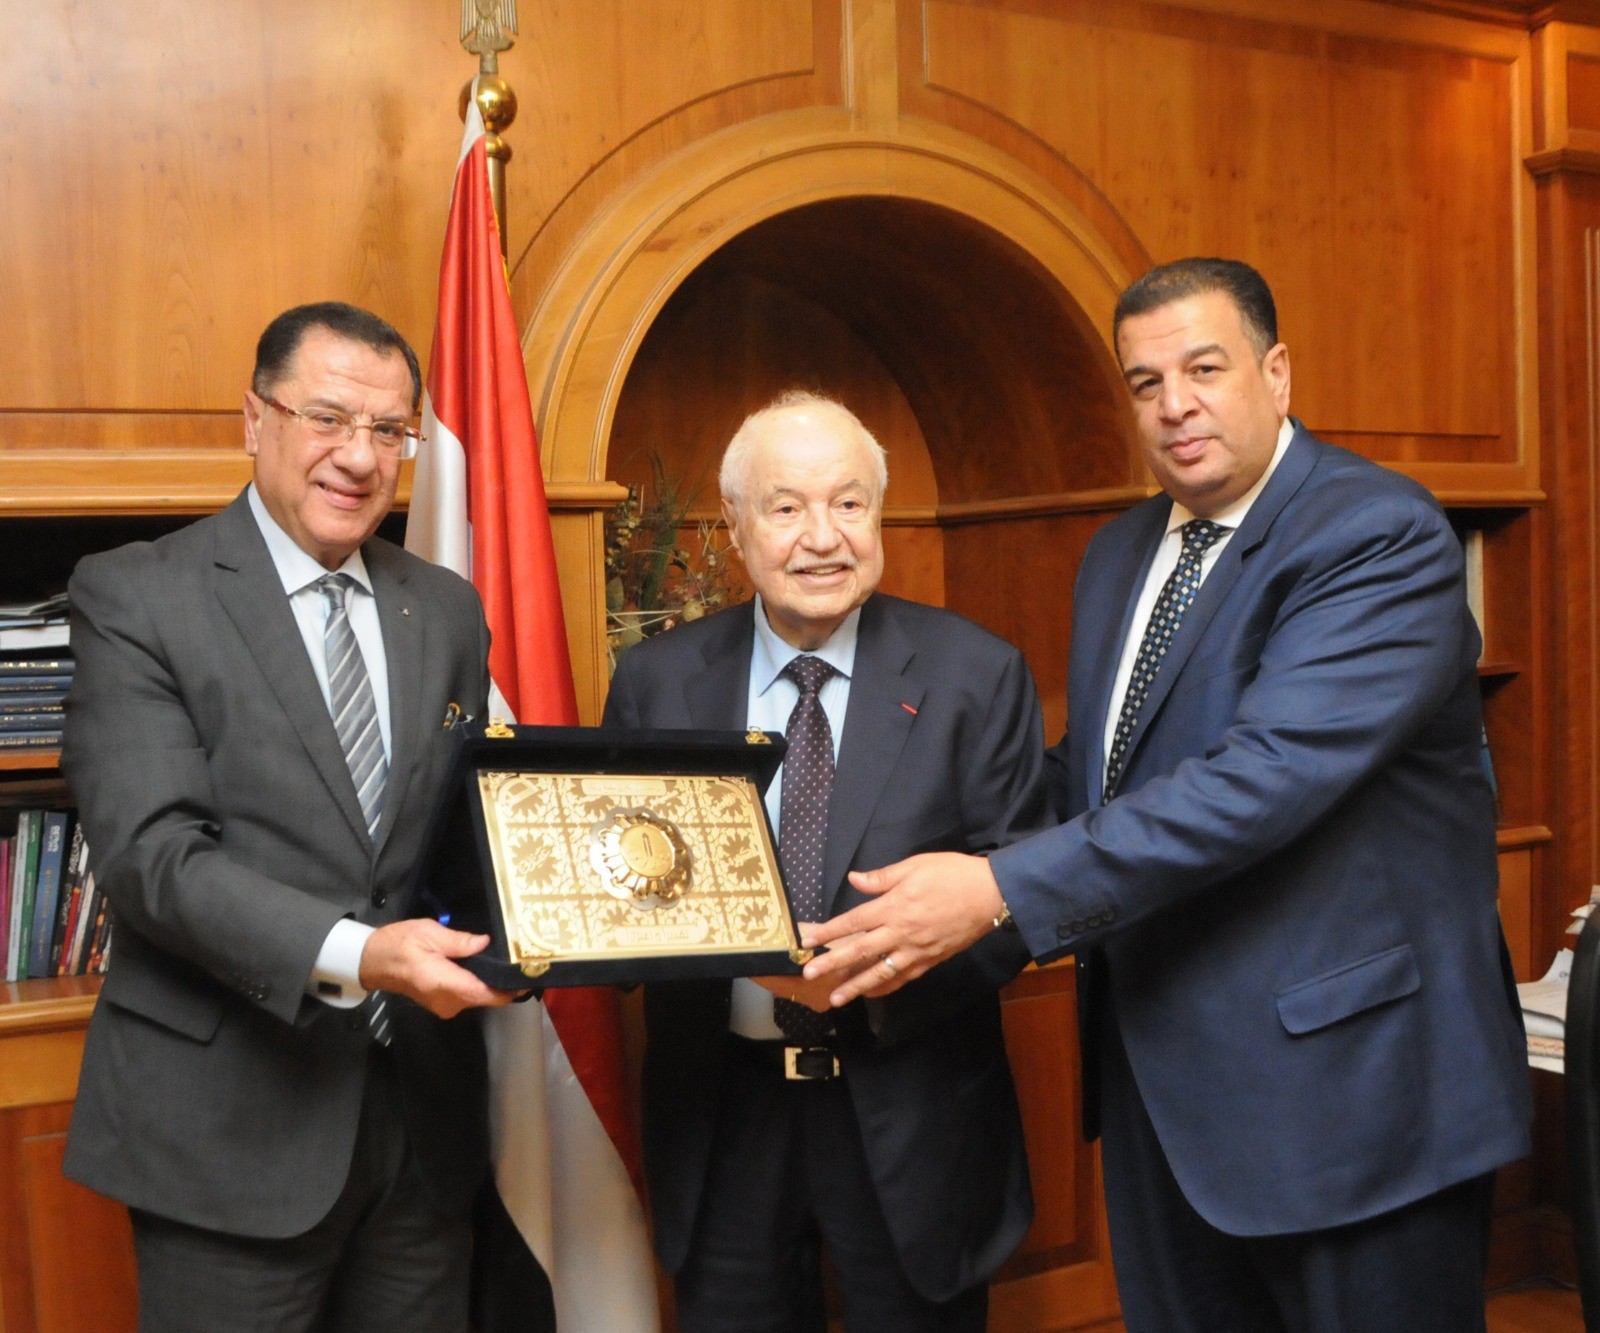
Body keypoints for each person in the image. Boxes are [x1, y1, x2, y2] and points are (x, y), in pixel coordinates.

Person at [802, 260, 1534, 1331]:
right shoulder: (1119, 552)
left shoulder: (1374, 534)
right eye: (1145, 383)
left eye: (1204, 369)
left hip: (1356, 1097)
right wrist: (888, 888)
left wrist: (995, 889)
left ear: (1276, 374)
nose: (1174, 404)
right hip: (1165, 1094)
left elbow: (1260, 779)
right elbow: (1096, 777)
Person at [61, 302, 518, 1332]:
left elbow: (468, 828)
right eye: (327, 418)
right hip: (228, 1127)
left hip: (421, 1126)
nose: (359, 457)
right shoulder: (138, 596)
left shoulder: (445, 607)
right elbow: (153, 858)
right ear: (255, 418)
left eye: (389, 430)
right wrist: (364, 954)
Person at [602, 390, 1048, 1332]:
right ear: (734, 527)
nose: (823, 536)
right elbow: (620, 888)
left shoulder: (976, 675)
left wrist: (872, 971)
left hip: (914, 1116)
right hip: (724, 1118)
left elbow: (1021, 902)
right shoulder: (658, 680)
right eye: (787, 506)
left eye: (849, 503)